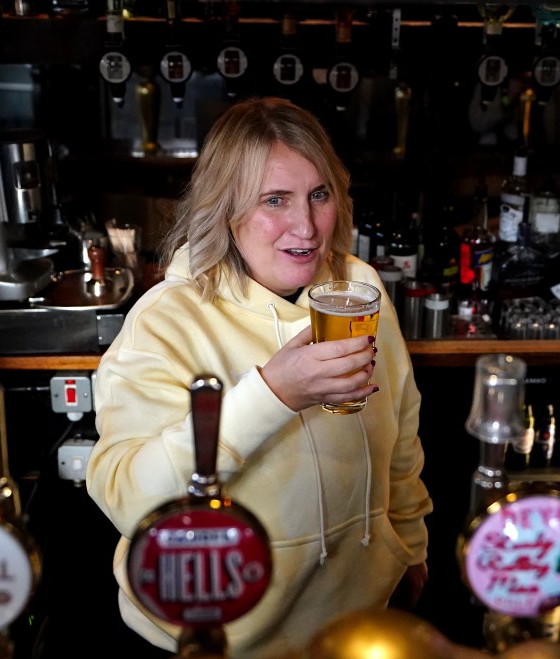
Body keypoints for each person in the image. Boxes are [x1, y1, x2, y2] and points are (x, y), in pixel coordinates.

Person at [86, 96, 433, 658]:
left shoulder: (356, 287)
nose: (307, 225)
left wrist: (409, 547)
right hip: (216, 638)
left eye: (318, 194)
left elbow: (401, 430)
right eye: (276, 200)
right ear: (224, 209)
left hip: (355, 628)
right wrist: (271, 395)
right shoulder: (166, 320)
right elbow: (128, 498)